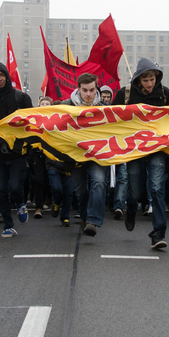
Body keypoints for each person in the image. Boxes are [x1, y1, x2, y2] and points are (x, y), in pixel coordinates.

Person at [114, 57, 169, 249]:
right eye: (145, 80)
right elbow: (109, 115)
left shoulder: (164, 94)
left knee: (157, 188)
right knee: (136, 190)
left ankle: (158, 233)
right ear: (138, 79)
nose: (149, 83)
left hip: (157, 148)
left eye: (152, 79)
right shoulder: (125, 93)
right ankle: (131, 208)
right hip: (134, 148)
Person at [0, 63, 33, 237]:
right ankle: (8, 225)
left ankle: (20, 204)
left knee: (15, 187)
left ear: (7, 76)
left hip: (18, 152)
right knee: (0, 190)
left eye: (1, 75)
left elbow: (30, 125)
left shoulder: (21, 98)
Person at [63, 74, 108, 236]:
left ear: (96, 89)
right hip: (76, 156)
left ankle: (93, 221)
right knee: (81, 191)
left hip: (97, 154)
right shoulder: (65, 106)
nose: (88, 94)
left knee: (99, 182)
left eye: (92, 90)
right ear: (78, 89)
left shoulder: (105, 108)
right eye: (85, 90)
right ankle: (84, 216)